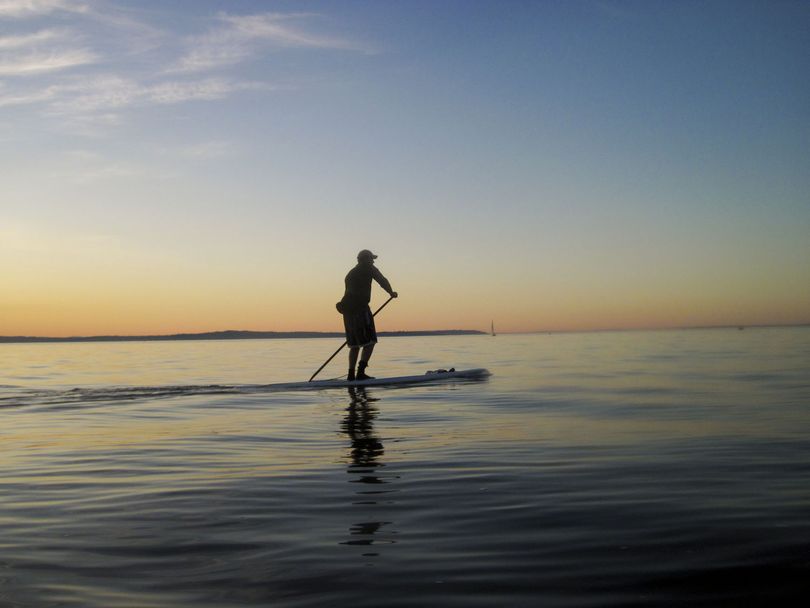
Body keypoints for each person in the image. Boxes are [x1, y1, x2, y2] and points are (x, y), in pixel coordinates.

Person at [337, 249, 397, 380]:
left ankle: (351, 375)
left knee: (354, 345)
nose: (373, 261)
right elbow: (382, 280)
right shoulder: (368, 268)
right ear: (365, 260)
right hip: (360, 309)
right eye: (371, 259)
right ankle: (360, 373)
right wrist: (391, 292)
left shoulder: (351, 273)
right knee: (370, 342)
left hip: (347, 311)